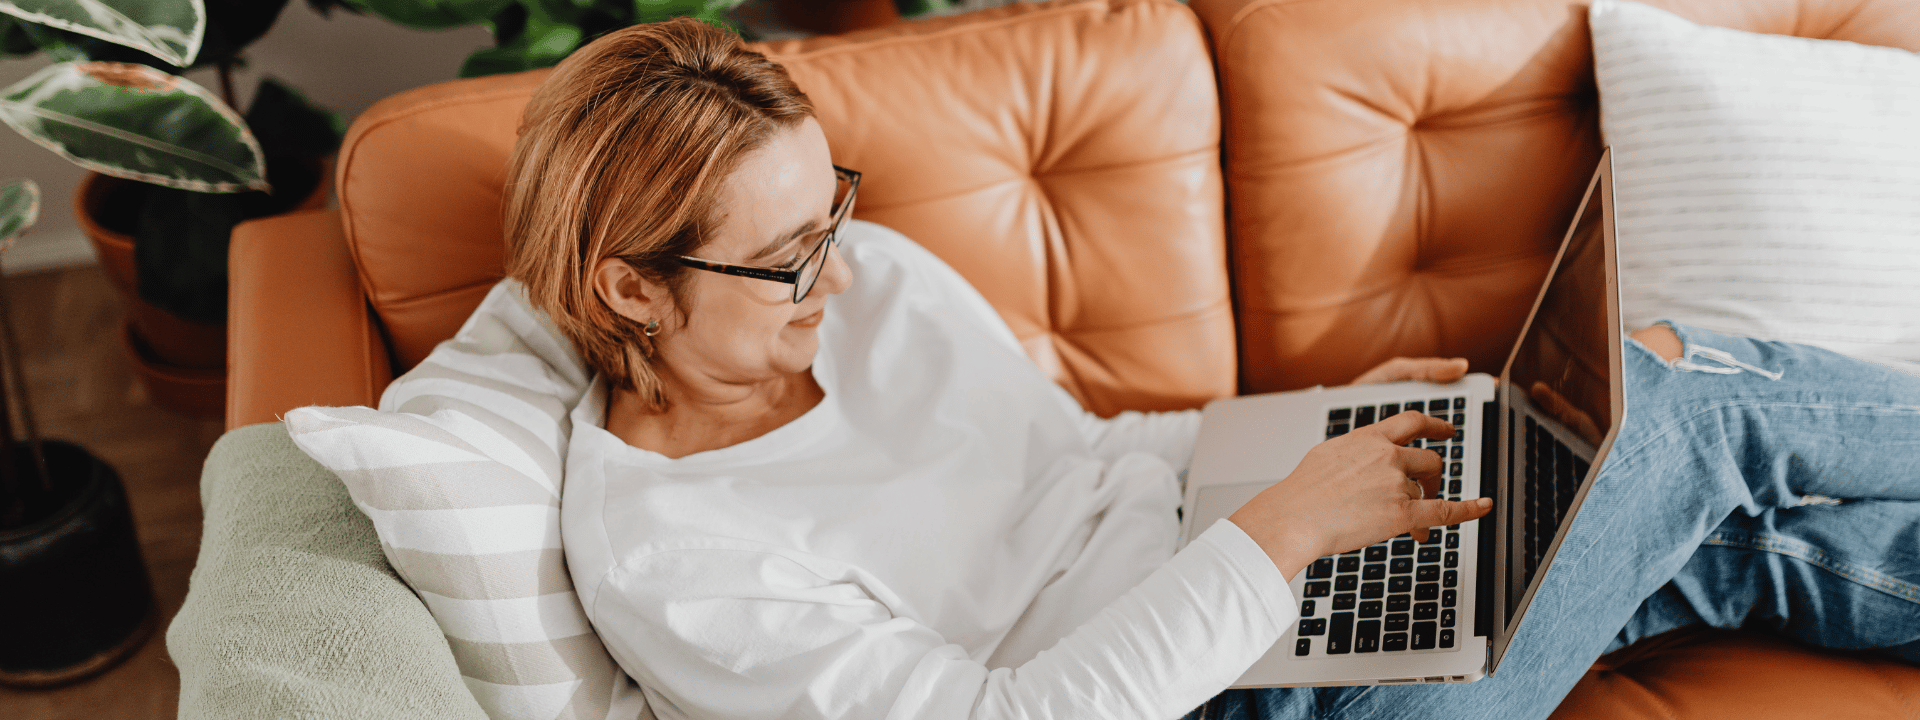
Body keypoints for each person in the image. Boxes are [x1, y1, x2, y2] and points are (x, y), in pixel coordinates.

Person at [501, 19, 1920, 720]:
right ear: (630, 286)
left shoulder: (865, 294)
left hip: (1254, 583)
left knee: (1727, 538)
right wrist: (1287, 526)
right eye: (791, 257)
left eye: (836, 212)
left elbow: (1085, 457)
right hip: (1231, 705)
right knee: (1684, 403)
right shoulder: (679, 559)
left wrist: (1315, 424)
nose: (843, 274)